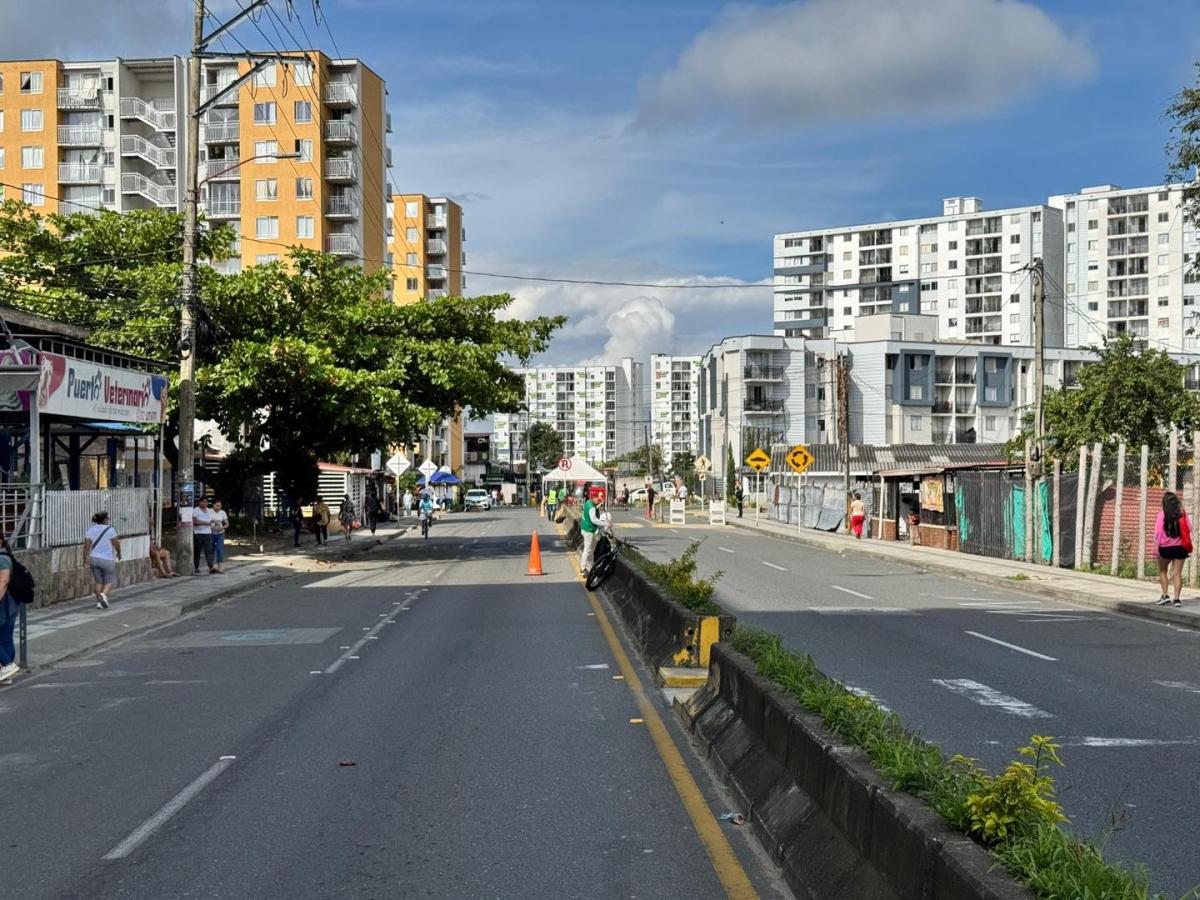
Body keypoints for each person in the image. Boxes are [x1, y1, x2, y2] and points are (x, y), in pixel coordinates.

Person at [1156, 491, 1191, 607]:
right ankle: (1177, 599)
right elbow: (1189, 528)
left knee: (1163, 571)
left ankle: (1165, 596)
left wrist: (1156, 548)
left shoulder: (1162, 514)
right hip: (1180, 548)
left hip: (1165, 548)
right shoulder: (1182, 513)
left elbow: (1158, 533)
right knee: (1177, 573)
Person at [83, 510, 121, 608]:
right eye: (108, 518)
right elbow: (116, 543)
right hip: (107, 559)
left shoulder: (90, 530)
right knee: (109, 580)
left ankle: (100, 603)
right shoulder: (110, 530)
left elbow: (86, 546)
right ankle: (103, 595)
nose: (108, 520)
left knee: (99, 581)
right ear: (104, 520)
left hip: (94, 559)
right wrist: (119, 553)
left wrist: (84, 558)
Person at [0, 534, 21, 682]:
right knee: (5, 638)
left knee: (5, 637)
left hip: (4, 603)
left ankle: (7, 665)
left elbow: (3, 582)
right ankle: (7, 675)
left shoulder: (2, 559)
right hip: (9, 603)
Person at [580, 491, 606, 575]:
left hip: (585, 528)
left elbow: (593, 510)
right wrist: (606, 524)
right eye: (598, 500)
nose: (599, 501)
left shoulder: (588, 502)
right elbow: (594, 519)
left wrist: (598, 506)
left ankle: (591, 567)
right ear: (594, 497)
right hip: (589, 530)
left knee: (591, 550)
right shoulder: (592, 507)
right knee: (587, 550)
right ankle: (583, 568)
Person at [192, 497, 215, 574]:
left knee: (209, 551)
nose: (204, 504)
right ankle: (196, 567)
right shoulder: (196, 510)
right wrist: (205, 523)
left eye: (206, 502)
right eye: (203, 502)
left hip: (208, 533)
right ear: (200, 502)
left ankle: (211, 567)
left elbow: (211, 520)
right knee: (197, 552)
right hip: (198, 534)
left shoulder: (209, 511)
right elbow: (194, 521)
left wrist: (212, 523)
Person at [210, 499, 229, 572]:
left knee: (219, 549)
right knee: (211, 549)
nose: (218, 507)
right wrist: (213, 522)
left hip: (220, 533)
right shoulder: (209, 511)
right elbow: (207, 521)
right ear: (213, 505)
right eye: (217, 505)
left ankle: (220, 566)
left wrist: (222, 527)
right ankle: (211, 566)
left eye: (220, 506)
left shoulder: (223, 512)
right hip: (211, 533)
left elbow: (227, 524)